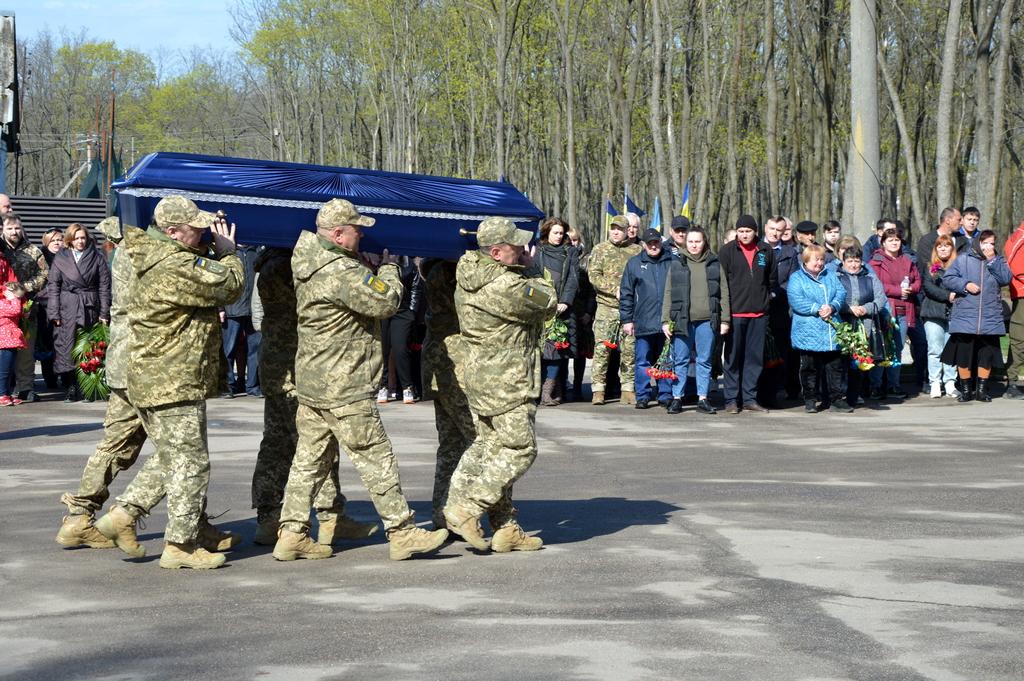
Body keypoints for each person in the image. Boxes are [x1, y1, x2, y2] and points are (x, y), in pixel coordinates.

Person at [274, 199, 447, 562]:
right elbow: (385, 303)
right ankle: (402, 531)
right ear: (337, 235)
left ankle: (291, 533)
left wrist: (361, 266)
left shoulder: (309, 259)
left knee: (308, 461)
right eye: (356, 229)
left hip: (314, 380)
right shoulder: (339, 270)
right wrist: (386, 269)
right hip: (344, 382)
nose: (363, 233)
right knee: (375, 455)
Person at [92, 197, 244, 570]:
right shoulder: (172, 263)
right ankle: (180, 545)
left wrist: (207, 247)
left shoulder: (153, 253)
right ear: (173, 232)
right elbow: (230, 286)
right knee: (191, 462)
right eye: (196, 228)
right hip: (172, 378)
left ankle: (124, 515)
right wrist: (229, 253)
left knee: (173, 456)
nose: (205, 232)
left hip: (157, 376)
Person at [248, 247, 378, 547]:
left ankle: (274, 517)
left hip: (280, 364)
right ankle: (325, 515)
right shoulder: (286, 265)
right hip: (294, 364)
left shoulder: (270, 262)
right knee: (313, 445)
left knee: (280, 442)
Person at [443, 216, 555, 553]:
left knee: (489, 446)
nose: (522, 250)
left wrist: (519, 264)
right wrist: (533, 268)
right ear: (495, 252)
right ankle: (468, 508)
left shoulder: (470, 272)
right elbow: (548, 301)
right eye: (515, 247)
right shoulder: (506, 286)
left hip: (481, 373)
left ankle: (501, 525)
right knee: (520, 448)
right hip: (507, 378)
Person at [420, 258, 476, 530]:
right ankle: (457, 510)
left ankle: (441, 513)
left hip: (440, 365)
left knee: (451, 446)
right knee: (479, 441)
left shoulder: (433, 268)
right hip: (456, 366)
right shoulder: (448, 271)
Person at [941, 230, 1013, 403]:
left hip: (990, 317)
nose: (988, 246)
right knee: (964, 355)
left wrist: (992, 260)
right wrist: (965, 285)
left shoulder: (998, 260)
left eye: (992, 243)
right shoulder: (963, 259)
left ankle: (981, 390)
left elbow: (1005, 278)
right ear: (977, 243)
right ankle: (966, 390)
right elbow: (948, 278)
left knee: (986, 355)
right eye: (985, 242)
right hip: (966, 315)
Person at [661, 226, 724, 415]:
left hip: (707, 320)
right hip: (682, 320)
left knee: (704, 360)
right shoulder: (677, 264)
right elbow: (668, 293)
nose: (694, 245)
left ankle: (703, 398)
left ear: (704, 242)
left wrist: (725, 320)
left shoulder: (714, 263)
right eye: (691, 241)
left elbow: (724, 294)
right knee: (680, 360)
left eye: (698, 241)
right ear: (685, 243)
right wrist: (665, 320)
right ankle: (677, 398)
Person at [46, 223, 111, 402]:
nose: (80, 241)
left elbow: (104, 287)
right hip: (67, 307)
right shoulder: (61, 258)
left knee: (88, 348)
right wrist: (54, 313)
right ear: (70, 240)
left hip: (90, 307)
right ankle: (71, 386)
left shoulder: (97, 257)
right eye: (76, 238)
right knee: (66, 347)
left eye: (83, 237)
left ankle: (89, 387)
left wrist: (104, 313)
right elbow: (53, 286)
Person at [718, 214, 776, 414]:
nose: (744, 235)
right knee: (733, 358)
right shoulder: (727, 251)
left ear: (755, 231)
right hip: (735, 314)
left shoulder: (766, 250)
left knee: (754, 359)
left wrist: (765, 302)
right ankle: (731, 400)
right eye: (741, 231)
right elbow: (721, 283)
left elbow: (771, 280)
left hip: (759, 315)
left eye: (748, 231)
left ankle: (750, 398)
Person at [788, 245, 850, 413]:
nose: (820, 263)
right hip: (808, 330)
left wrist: (832, 306)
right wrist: (817, 308)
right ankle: (810, 399)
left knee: (835, 366)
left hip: (831, 329)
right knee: (810, 366)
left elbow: (841, 293)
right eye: (816, 259)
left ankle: (836, 399)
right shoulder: (797, 278)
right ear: (806, 260)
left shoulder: (830, 275)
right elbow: (795, 299)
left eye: (822, 259)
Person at [587, 215, 641, 405]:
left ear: (628, 231)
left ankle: (627, 388)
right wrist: (614, 289)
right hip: (606, 307)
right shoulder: (600, 250)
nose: (616, 232)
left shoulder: (636, 251)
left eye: (620, 229)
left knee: (629, 350)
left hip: (629, 309)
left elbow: (642, 276)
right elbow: (593, 276)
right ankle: (598, 390)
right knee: (602, 349)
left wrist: (628, 292)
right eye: (613, 228)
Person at [620, 227, 673, 409]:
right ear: (643, 245)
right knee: (643, 361)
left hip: (666, 322)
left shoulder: (672, 261)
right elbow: (626, 293)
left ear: (661, 242)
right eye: (649, 243)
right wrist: (627, 320)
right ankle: (642, 395)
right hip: (642, 322)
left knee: (665, 360)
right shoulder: (634, 264)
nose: (653, 246)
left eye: (656, 242)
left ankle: (665, 394)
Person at [1, 212, 49, 402]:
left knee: (26, 352)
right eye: (10, 228)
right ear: (3, 229)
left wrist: (23, 289)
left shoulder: (33, 250)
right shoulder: (0, 249)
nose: (14, 231)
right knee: (3, 351)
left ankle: (25, 387)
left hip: (27, 309)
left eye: (17, 228)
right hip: (3, 310)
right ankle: (4, 388)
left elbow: (44, 275)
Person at [532, 218, 579, 406]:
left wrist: (565, 301)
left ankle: (549, 391)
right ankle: (542, 390)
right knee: (542, 352)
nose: (559, 237)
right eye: (555, 233)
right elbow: (533, 277)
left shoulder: (571, 252)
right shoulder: (538, 251)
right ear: (547, 233)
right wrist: (543, 302)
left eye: (561, 233)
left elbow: (573, 279)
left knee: (557, 351)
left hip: (563, 310)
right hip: (541, 308)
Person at [834, 242, 887, 407]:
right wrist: (848, 309)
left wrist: (865, 309)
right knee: (840, 363)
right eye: (849, 261)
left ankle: (855, 395)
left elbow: (880, 299)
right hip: (843, 324)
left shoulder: (871, 278)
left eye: (856, 261)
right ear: (843, 262)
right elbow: (832, 298)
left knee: (858, 363)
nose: (853, 264)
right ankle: (839, 395)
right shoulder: (835, 277)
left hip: (865, 325)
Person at [869, 227, 920, 399]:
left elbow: (917, 280)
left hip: (904, 309)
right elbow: (875, 285)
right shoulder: (876, 262)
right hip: (885, 310)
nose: (894, 243)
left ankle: (893, 384)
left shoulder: (907, 260)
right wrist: (897, 291)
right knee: (882, 347)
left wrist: (911, 289)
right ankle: (875, 385)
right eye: (890, 240)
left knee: (897, 348)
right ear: (883, 242)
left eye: (897, 240)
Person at [378, 255, 425, 404]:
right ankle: (383, 386)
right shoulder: (378, 262)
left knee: (401, 349)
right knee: (382, 349)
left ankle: (407, 387)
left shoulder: (409, 265)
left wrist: (411, 311)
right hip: (382, 310)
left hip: (403, 311)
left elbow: (416, 288)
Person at [920, 235, 960, 398]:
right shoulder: (930, 267)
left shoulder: (958, 268)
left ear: (952, 248)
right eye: (940, 246)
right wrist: (948, 295)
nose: (943, 249)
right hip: (933, 313)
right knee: (935, 349)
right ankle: (935, 382)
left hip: (954, 314)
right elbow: (928, 288)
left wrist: (955, 294)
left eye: (947, 246)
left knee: (951, 350)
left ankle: (950, 382)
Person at [221, 244, 262, 398]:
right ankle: (229, 386)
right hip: (232, 309)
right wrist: (220, 308)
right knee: (228, 350)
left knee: (255, 350)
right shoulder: (228, 252)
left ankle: (252, 386)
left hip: (253, 309)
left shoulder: (257, 250)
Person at [566, 225, 595, 401]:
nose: (573, 243)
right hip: (566, 310)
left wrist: (588, 312)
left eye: (575, 240)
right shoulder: (563, 256)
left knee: (581, 353)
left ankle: (577, 386)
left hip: (583, 311)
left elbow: (592, 289)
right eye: (569, 240)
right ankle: (562, 385)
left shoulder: (587, 260)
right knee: (563, 350)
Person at [36, 229, 63, 389]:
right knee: (47, 344)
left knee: (63, 344)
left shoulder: (67, 256)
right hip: (45, 307)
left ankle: (66, 378)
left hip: (64, 305)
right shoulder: (41, 258)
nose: (57, 243)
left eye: (59, 239)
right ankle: (50, 379)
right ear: (46, 242)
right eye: (53, 240)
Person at [1004, 220, 1024, 399]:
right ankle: (1012, 383)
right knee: (1019, 339)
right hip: (1022, 295)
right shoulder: (1019, 236)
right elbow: (1014, 264)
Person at [0, 281, 26, 405]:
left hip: (10, 341)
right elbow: (16, 310)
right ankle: (2, 394)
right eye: (17, 296)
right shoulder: (1, 303)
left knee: (10, 370)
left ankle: (7, 393)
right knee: (4, 370)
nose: (18, 299)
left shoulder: (8, 302)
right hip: (4, 342)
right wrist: (13, 298)